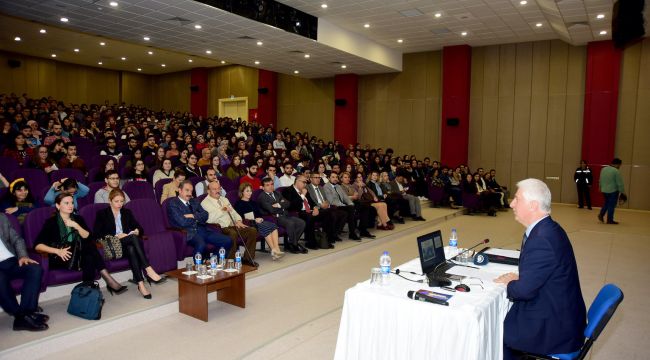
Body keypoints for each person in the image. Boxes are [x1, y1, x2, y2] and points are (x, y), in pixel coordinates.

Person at [495, 179, 585, 359]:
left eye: (517, 199)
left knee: (496, 331)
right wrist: (522, 280)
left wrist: (512, 283)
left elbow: (523, 292)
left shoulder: (542, 239)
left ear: (533, 205)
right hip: (562, 314)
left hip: (556, 329)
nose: (511, 203)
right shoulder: (548, 228)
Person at [35, 194, 127, 295]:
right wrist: (58, 251)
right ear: (58, 206)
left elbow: (88, 236)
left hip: (78, 255)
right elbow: (38, 245)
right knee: (89, 249)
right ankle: (107, 279)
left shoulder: (78, 219)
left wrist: (76, 226)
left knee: (89, 253)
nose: (71, 205)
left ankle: (87, 290)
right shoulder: (51, 222)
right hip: (61, 256)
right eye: (66, 203)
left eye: (72, 203)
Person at [93, 189, 166, 300]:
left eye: (122, 201)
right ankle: (148, 269)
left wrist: (137, 231)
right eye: (116, 201)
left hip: (127, 245)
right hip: (112, 246)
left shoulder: (127, 212)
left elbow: (140, 228)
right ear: (110, 200)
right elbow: (97, 233)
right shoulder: (102, 214)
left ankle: (141, 285)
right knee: (132, 239)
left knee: (132, 247)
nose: (120, 204)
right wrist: (117, 236)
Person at [0, 213, 48, 331]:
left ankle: (26, 313)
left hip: (11, 261)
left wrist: (23, 256)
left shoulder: (1, 217)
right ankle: (22, 317)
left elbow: (17, 239)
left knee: (34, 269)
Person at [166, 180, 233, 258]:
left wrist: (193, 215)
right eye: (187, 190)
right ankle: (198, 268)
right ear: (180, 190)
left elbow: (205, 215)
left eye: (191, 191)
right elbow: (182, 222)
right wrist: (198, 217)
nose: (190, 193)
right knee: (201, 243)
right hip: (187, 232)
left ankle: (213, 262)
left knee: (227, 240)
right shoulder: (173, 203)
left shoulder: (194, 201)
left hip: (202, 230)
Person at [200, 181, 258, 267]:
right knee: (232, 233)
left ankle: (247, 259)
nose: (217, 191)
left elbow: (234, 212)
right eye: (214, 189)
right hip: (219, 228)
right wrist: (221, 210)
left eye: (218, 188)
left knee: (252, 230)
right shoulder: (205, 203)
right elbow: (209, 218)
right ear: (208, 191)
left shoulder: (224, 199)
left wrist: (238, 220)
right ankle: (231, 261)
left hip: (232, 225)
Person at [234, 183, 284, 260]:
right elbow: (239, 218)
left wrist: (259, 218)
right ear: (242, 192)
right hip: (248, 224)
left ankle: (276, 249)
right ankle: (274, 250)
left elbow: (259, 214)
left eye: (251, 191)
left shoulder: (253, 203)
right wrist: (254, 220)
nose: (250, 193)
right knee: (265, 227)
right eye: (247, 191)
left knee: (273, 226)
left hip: (258, 222)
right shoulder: (238, 204)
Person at [257, 177, 307, 254]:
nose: (270, 186)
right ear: (263, 187)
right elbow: (271, 210)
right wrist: (282, 205)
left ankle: (292, 243)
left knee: (301, 223)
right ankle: (294, 245)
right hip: (275, 218)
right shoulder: (262, 197)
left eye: (272, 184)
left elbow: (288, 203)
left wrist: (278, 204)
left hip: (285, 215)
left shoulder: (277, 193)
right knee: (290, 223)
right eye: (267, 185)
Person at [322, 172, 376, 239]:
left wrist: (351, 203)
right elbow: (331, 201)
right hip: (335, 206)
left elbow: (345, 197)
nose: (335, 179)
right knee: (351, 209)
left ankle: (363, 230)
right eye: (333, 177)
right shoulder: (326, 187)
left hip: (343, 205)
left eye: (336, 177)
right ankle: (352, 233)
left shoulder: (338, 186)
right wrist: (345, 205)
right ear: (328, 178)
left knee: (365, 207)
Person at [598, 158, 625, 224]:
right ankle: (610, 220)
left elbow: (600, 179)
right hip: (613, 191)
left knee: (606, 203)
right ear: (617, 164)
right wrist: (622, 191)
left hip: (604, 190)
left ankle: (601, 215)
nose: (619, 167)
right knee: (611, 205)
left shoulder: (603, 169)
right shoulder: (616, 171)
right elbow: (619, 183)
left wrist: (600, 187)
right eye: (619, 165)